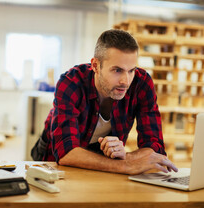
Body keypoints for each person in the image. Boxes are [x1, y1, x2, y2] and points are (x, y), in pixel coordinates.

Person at [31, 29, 178, 175]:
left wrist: (126, 157)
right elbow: (66, 153)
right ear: (95, 66)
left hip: (100, 154)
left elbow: (154, 148)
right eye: (117, 70)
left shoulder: (142, 84)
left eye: (131, 70)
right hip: (53, 150)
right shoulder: (71, 82)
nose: (126, 82)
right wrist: (126, 166)